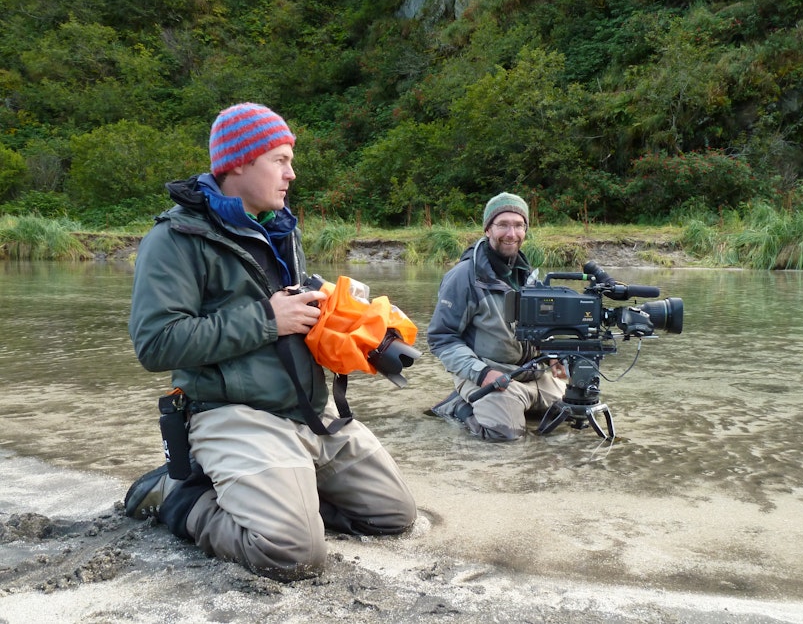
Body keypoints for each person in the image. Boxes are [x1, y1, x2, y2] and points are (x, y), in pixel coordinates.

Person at [123, 102, 416, 580]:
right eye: (280, 159)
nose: (291, 173)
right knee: (292, 554)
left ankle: (283, 497)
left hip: (307, 414)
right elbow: (156, 343)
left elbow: (287, 313)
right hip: (231, 413)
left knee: (394, 518)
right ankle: (178, 497)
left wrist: (335, 315)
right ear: (238, 162)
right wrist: (267, 319)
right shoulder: (175, 237)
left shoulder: (279, 229)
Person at [427, 192, 569, 441]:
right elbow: (441, 339)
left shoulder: (531, 277)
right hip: (488, 375)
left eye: (518, 225)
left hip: (531, 374)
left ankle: (516, 405)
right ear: (488, 229)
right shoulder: (463, 277)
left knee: (574, 414)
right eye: (502, 225)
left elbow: (543, 331)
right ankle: (459, 407)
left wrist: (554, 357)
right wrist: (482, 373)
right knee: (505, 436)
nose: (511, 234)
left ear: (525, 230)